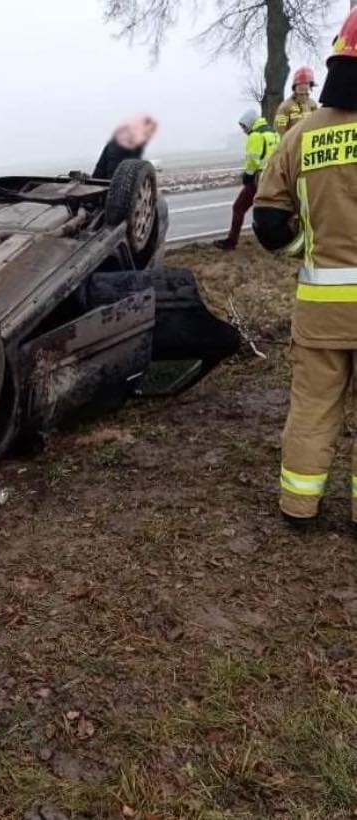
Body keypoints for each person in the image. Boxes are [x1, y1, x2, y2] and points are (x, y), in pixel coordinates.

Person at [253, 8, 357, 528]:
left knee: (313, 406)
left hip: (320, 310)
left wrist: (308, 249)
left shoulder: (301, 135)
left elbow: (270, 223)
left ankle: (299, 505)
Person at [214, 110, 280, 251]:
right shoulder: (273, 133)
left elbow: (252, 160)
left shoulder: (255, 136)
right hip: (274, 177)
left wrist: (248, 176)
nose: (243, 130)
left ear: (250, 123)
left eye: (244, 127)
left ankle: (232, 241)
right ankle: (278, 240)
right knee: (273, 209)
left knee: (238, 208)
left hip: (258, 178)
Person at [93, 114, 159, 179]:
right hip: (104, 181)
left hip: (115, 179)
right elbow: (113, 169)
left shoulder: (136, 143)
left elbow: (135, 164)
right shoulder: (121, 142)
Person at [274, 66, 319, 136]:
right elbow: (279, 132)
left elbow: (317, 126)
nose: (306, 95)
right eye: (303, 93)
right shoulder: (285, 107)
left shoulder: (312, 105)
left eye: (308, 92)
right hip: (292, 145)